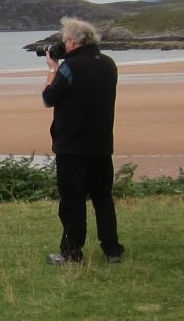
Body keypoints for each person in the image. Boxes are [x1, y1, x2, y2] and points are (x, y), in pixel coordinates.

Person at [41, 17, 125, 265]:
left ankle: (71, 251)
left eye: (65, 40)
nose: (63, 44)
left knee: (72, 202)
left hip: (72, 146)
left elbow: (48, 97)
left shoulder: (70, 68)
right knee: (103, 199)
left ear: (73, 41)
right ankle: (112, 250)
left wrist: (51, 69)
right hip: (101, 144)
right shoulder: (109, 64)